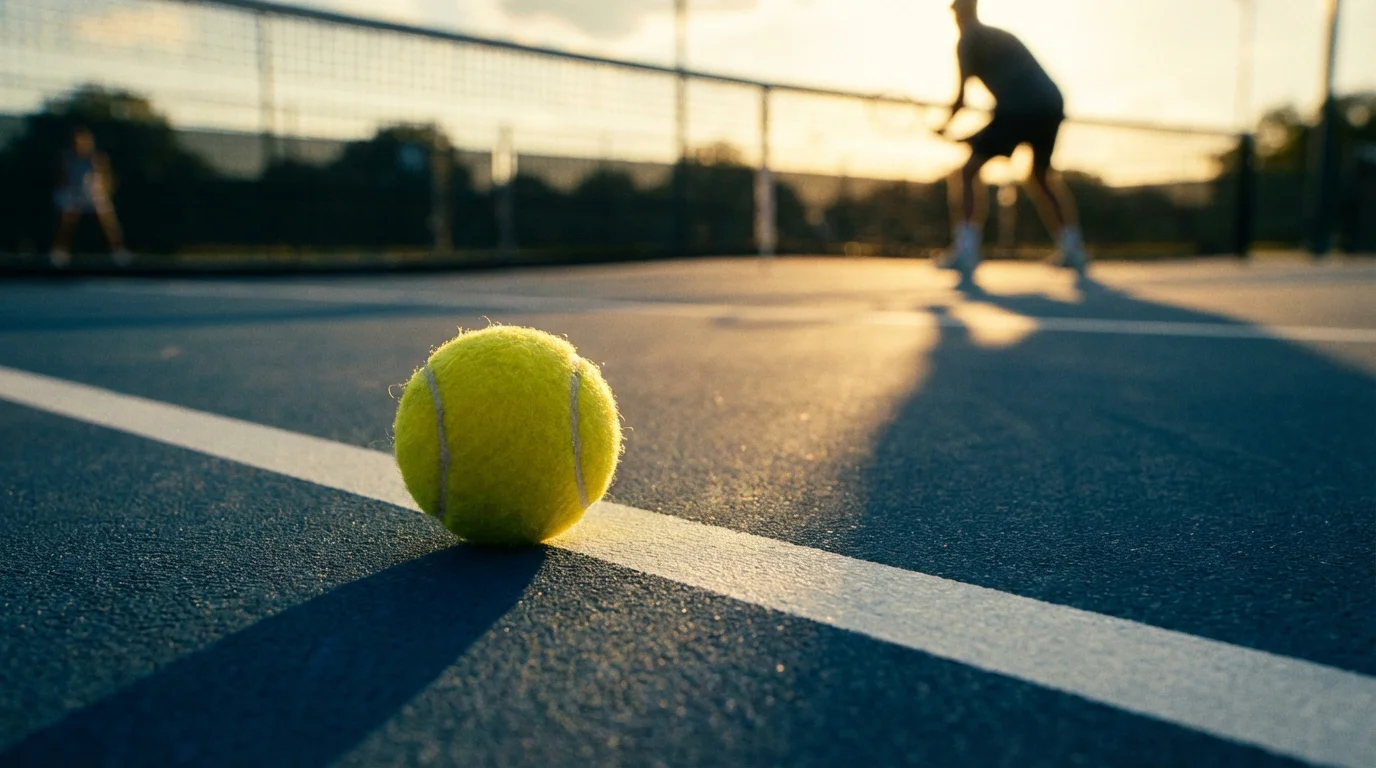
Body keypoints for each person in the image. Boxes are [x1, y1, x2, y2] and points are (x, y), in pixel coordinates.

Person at [937, 0, 1087, 279]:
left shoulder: (967, 41)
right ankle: (1073, 248)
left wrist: (944, 126)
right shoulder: (1001, 35)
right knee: (1040, 176)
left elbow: (961, 99)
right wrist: (971, 136)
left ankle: (966, 251)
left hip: (1019, 109)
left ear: (960, 11)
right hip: (1051, 105)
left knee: (968, 171)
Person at [50, 127, 132, 268]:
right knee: (66, 224)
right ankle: (59, 252)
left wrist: (103, 191)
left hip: (93, 194)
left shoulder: (97, 158)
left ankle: (119, 252)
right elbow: (63, 178)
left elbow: (106, 177)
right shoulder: (68, 157)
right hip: (73, 194)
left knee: (109, 223)